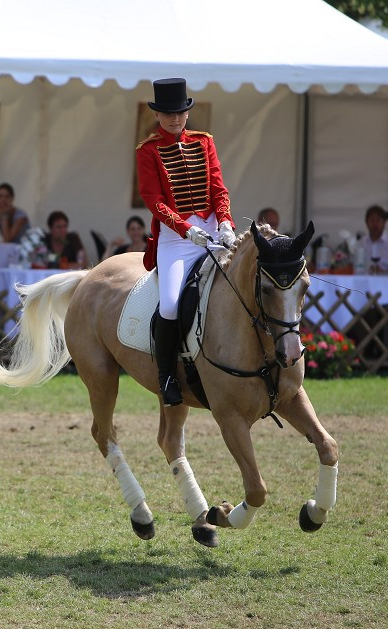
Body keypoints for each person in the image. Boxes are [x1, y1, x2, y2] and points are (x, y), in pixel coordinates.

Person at [137, 77, 236, 406]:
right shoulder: (148, 151)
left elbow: (218, 189)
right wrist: (183, 228)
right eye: (167, 113)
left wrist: (225, 222)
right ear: (157, 116)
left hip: (211, 228)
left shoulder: (205, 142)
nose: (174, 119)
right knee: (169, 304)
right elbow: (153, 200)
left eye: (179, 113)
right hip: (176, 238)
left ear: (187, 114)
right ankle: (166, 376)